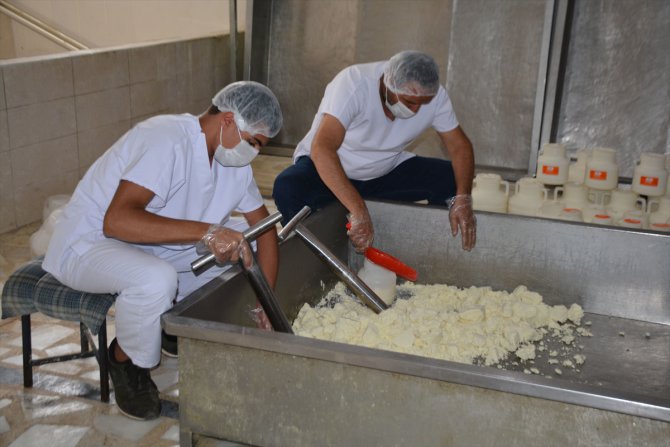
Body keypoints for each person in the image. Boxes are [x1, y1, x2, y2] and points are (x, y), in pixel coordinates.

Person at [43, 81, 283, 420]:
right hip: (91, 244)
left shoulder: (233, 165)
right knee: (156, 280)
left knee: (244, 243)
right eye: (254, 142)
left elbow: (264, 230)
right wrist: (208, 232)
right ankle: (124, 361)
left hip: (151, 244)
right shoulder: (166, 139)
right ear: (229, 119)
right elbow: (117, 221)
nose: (254, 152)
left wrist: (265, 301)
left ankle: (173, 326)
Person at [273, 50, 476, 252]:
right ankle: (319, 253)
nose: (415, 110)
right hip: (329, 172)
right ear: (388, 84)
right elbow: (322, 150)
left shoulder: (435, 96)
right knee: (288, 187)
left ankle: (434, 249)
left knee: (452, 178)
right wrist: (358, 210)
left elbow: (460, 147)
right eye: (409, 102)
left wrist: (463, 199)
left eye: (422, 104)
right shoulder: (354, 83)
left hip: (383, 172)